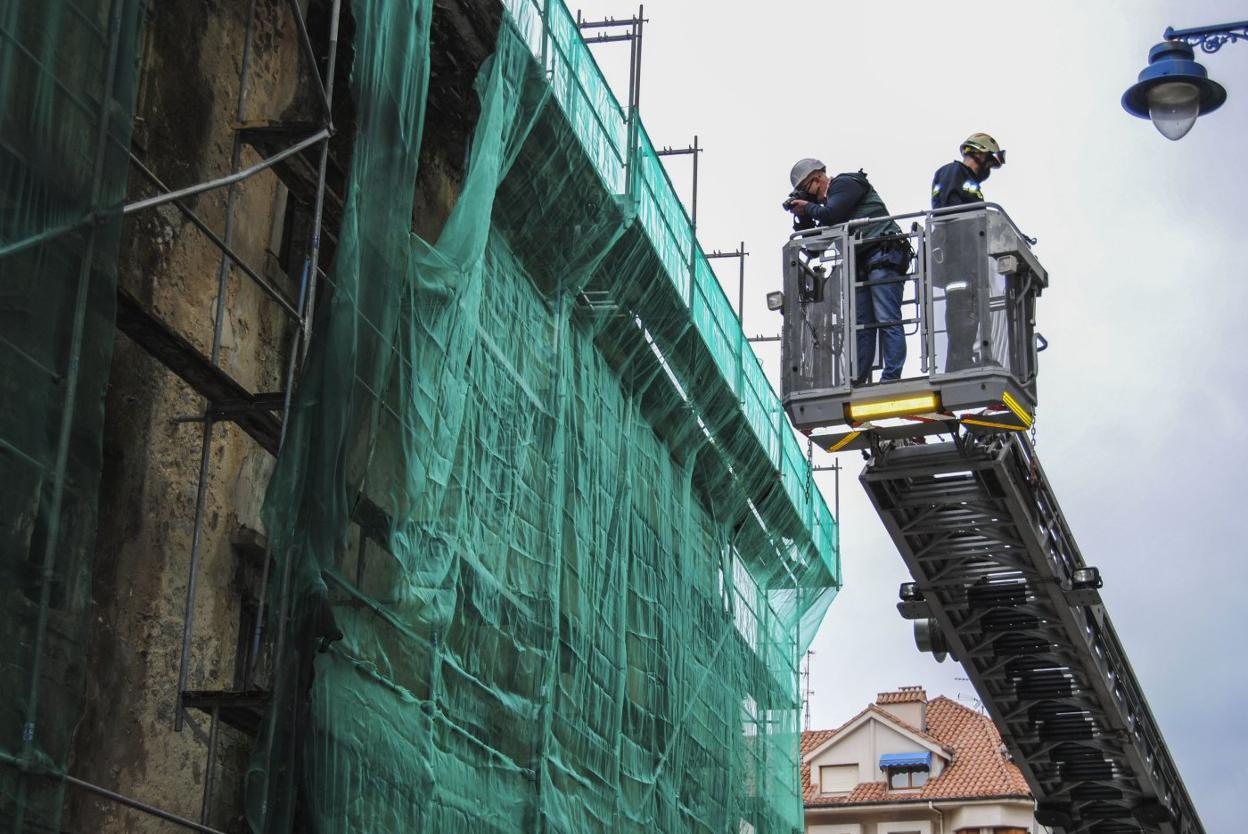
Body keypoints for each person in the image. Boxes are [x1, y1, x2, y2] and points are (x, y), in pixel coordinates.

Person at [785, 158, 908, 384]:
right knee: (862, 324)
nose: (809, 197)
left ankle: (891, 376)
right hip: (863, 264)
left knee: (886, 317)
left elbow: (832, 214)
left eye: (807, 190)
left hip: (883, 253)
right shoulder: (828, 207)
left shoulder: (845, 183)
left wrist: (809, 207)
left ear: (818, 178)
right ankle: (858, 378)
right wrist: (803, 217)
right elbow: (814, 248)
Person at [929, 133, 1005, 371]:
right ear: (979, 153)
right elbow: (952, 212)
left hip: (969, 258)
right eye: (990, 162)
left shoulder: (969, 181)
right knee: (962, 313)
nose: (989, 168)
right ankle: (957, 364)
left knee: (972, 312)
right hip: (957, 257)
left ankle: (965, 360)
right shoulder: (954, 172)